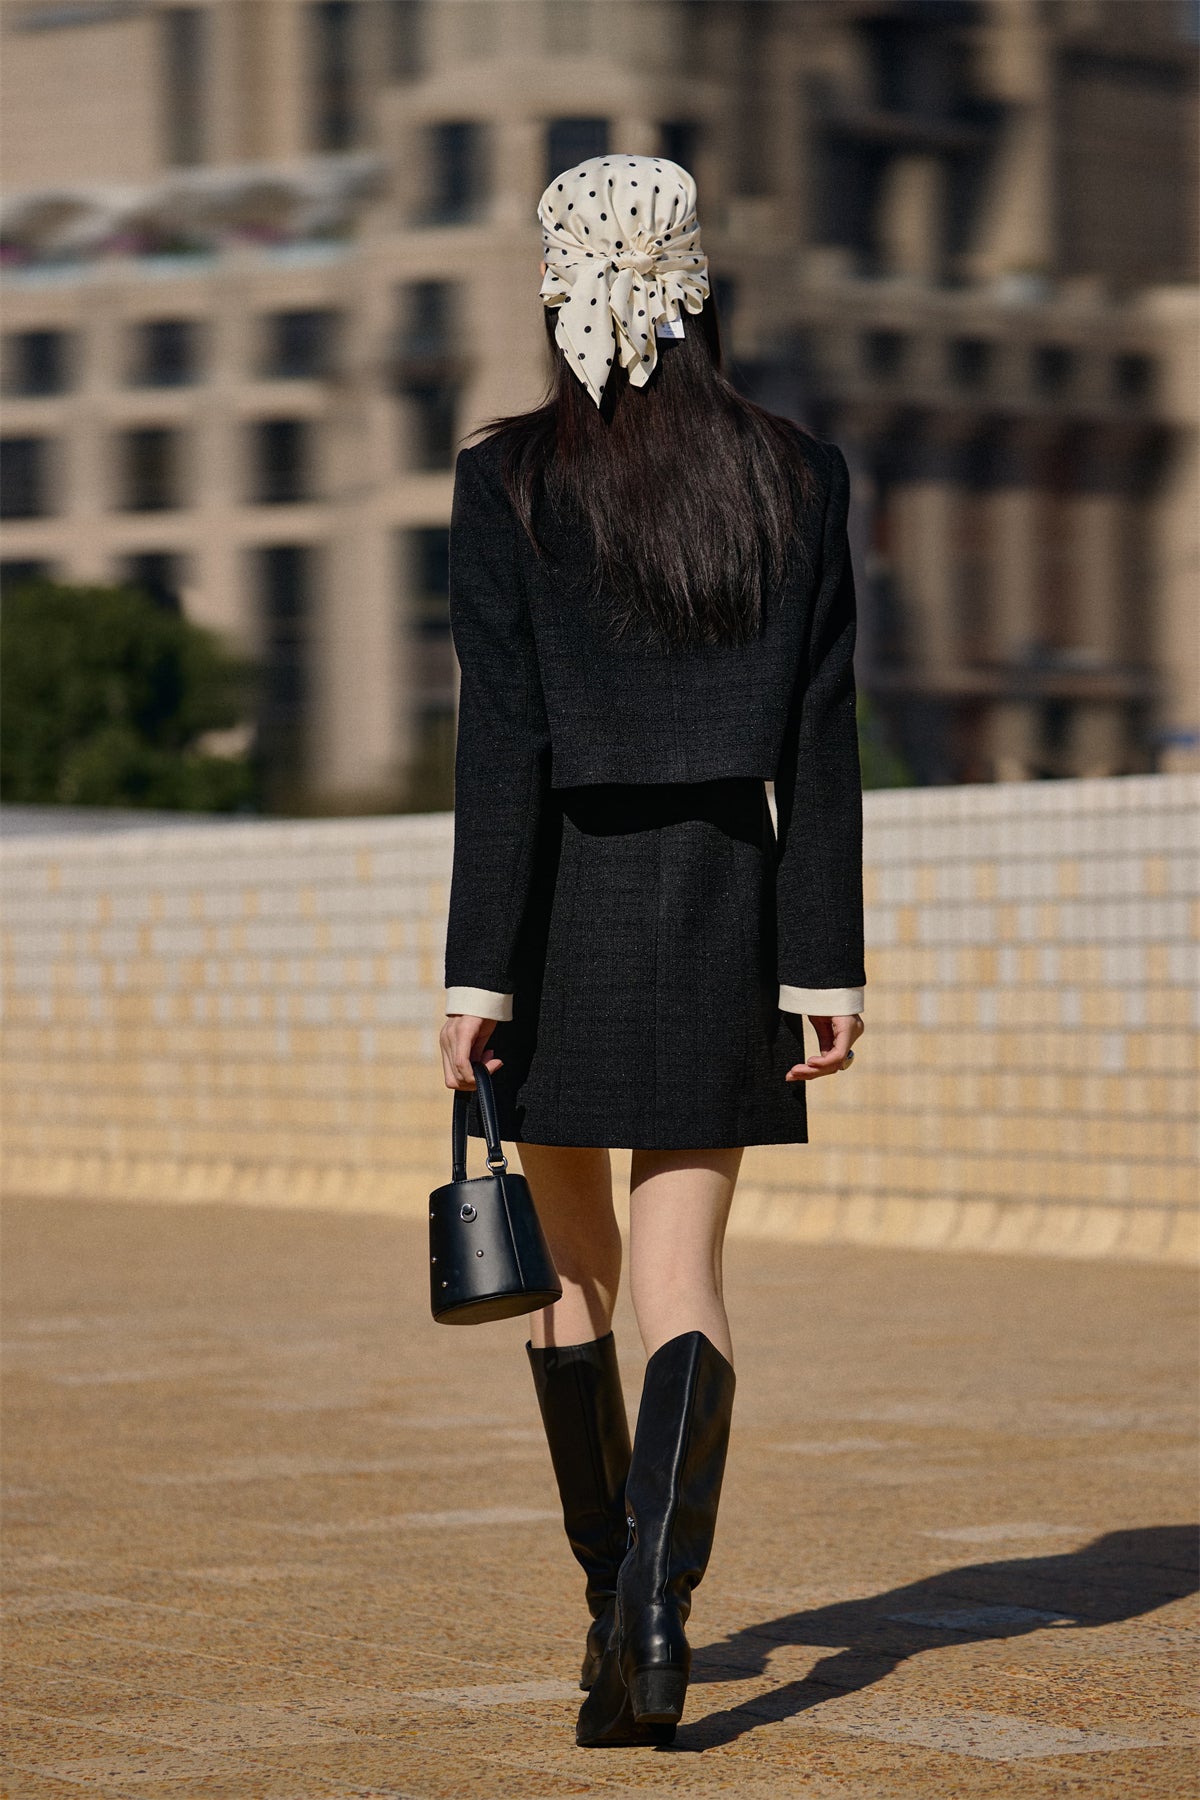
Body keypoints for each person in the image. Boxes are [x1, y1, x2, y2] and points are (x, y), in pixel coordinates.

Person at [437, 155, 865, 1749]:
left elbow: (502, 748)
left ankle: (613, 1606)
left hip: (556, 911)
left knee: (574, 1278)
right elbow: (821, 739)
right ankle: (661, 1610)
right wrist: (823, 968)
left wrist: (477, 978)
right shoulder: (796, 473)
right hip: (726, 901)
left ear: (561, 286)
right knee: (686, 1276)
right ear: (694, 280)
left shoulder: (507, 481)